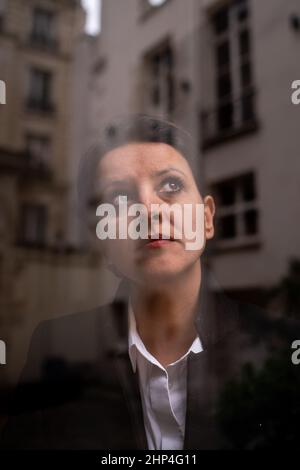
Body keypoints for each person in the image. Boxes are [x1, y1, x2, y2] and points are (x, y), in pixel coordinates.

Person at [1, 115, 300, 450]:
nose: (147, 209)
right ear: (102, 238)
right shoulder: (53, 344)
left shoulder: (280, 349)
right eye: (119, 198)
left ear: (206, 217)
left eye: (171, 185)